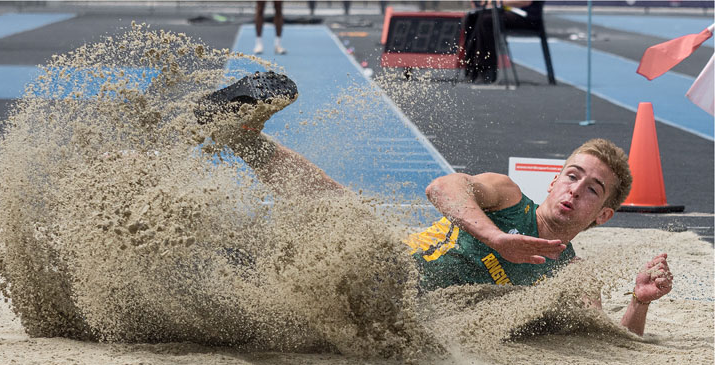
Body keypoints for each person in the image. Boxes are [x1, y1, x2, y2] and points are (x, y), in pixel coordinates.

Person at [195, 72, 674, 336]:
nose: (575, 190)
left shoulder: (568, 274)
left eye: (592, 189)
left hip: (403, 317)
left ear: (604, 214)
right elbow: (442, 188)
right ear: (553, 182)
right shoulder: (508, 197)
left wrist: (638, 303)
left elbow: (609, 335)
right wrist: (495, 237)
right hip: (384, 264)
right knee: (347, 217)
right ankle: (241, 138)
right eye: (572, 176)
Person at [463, 0, 545, 84]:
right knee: (472, 18)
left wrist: (498, 2)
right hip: (506, 11)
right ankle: (471, 68)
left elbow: (526, 2)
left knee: (487, 20)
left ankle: (487, 69)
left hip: (527, 17)